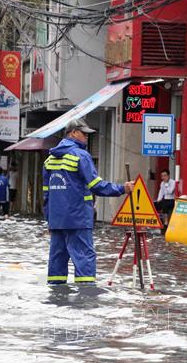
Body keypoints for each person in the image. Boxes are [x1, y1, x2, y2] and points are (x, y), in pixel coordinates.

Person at [43, 118, 133, 285]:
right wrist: (122, 189)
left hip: (57, 222)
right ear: (73, 133)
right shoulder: (81, 156)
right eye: (84, 134)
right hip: (78, 220)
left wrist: (50, 220)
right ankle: (85, 301)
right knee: (84, 260)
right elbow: (96, 186)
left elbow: (46, 195)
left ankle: (55, 300)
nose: (87, 137)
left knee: (56, 265)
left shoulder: (49, 160)